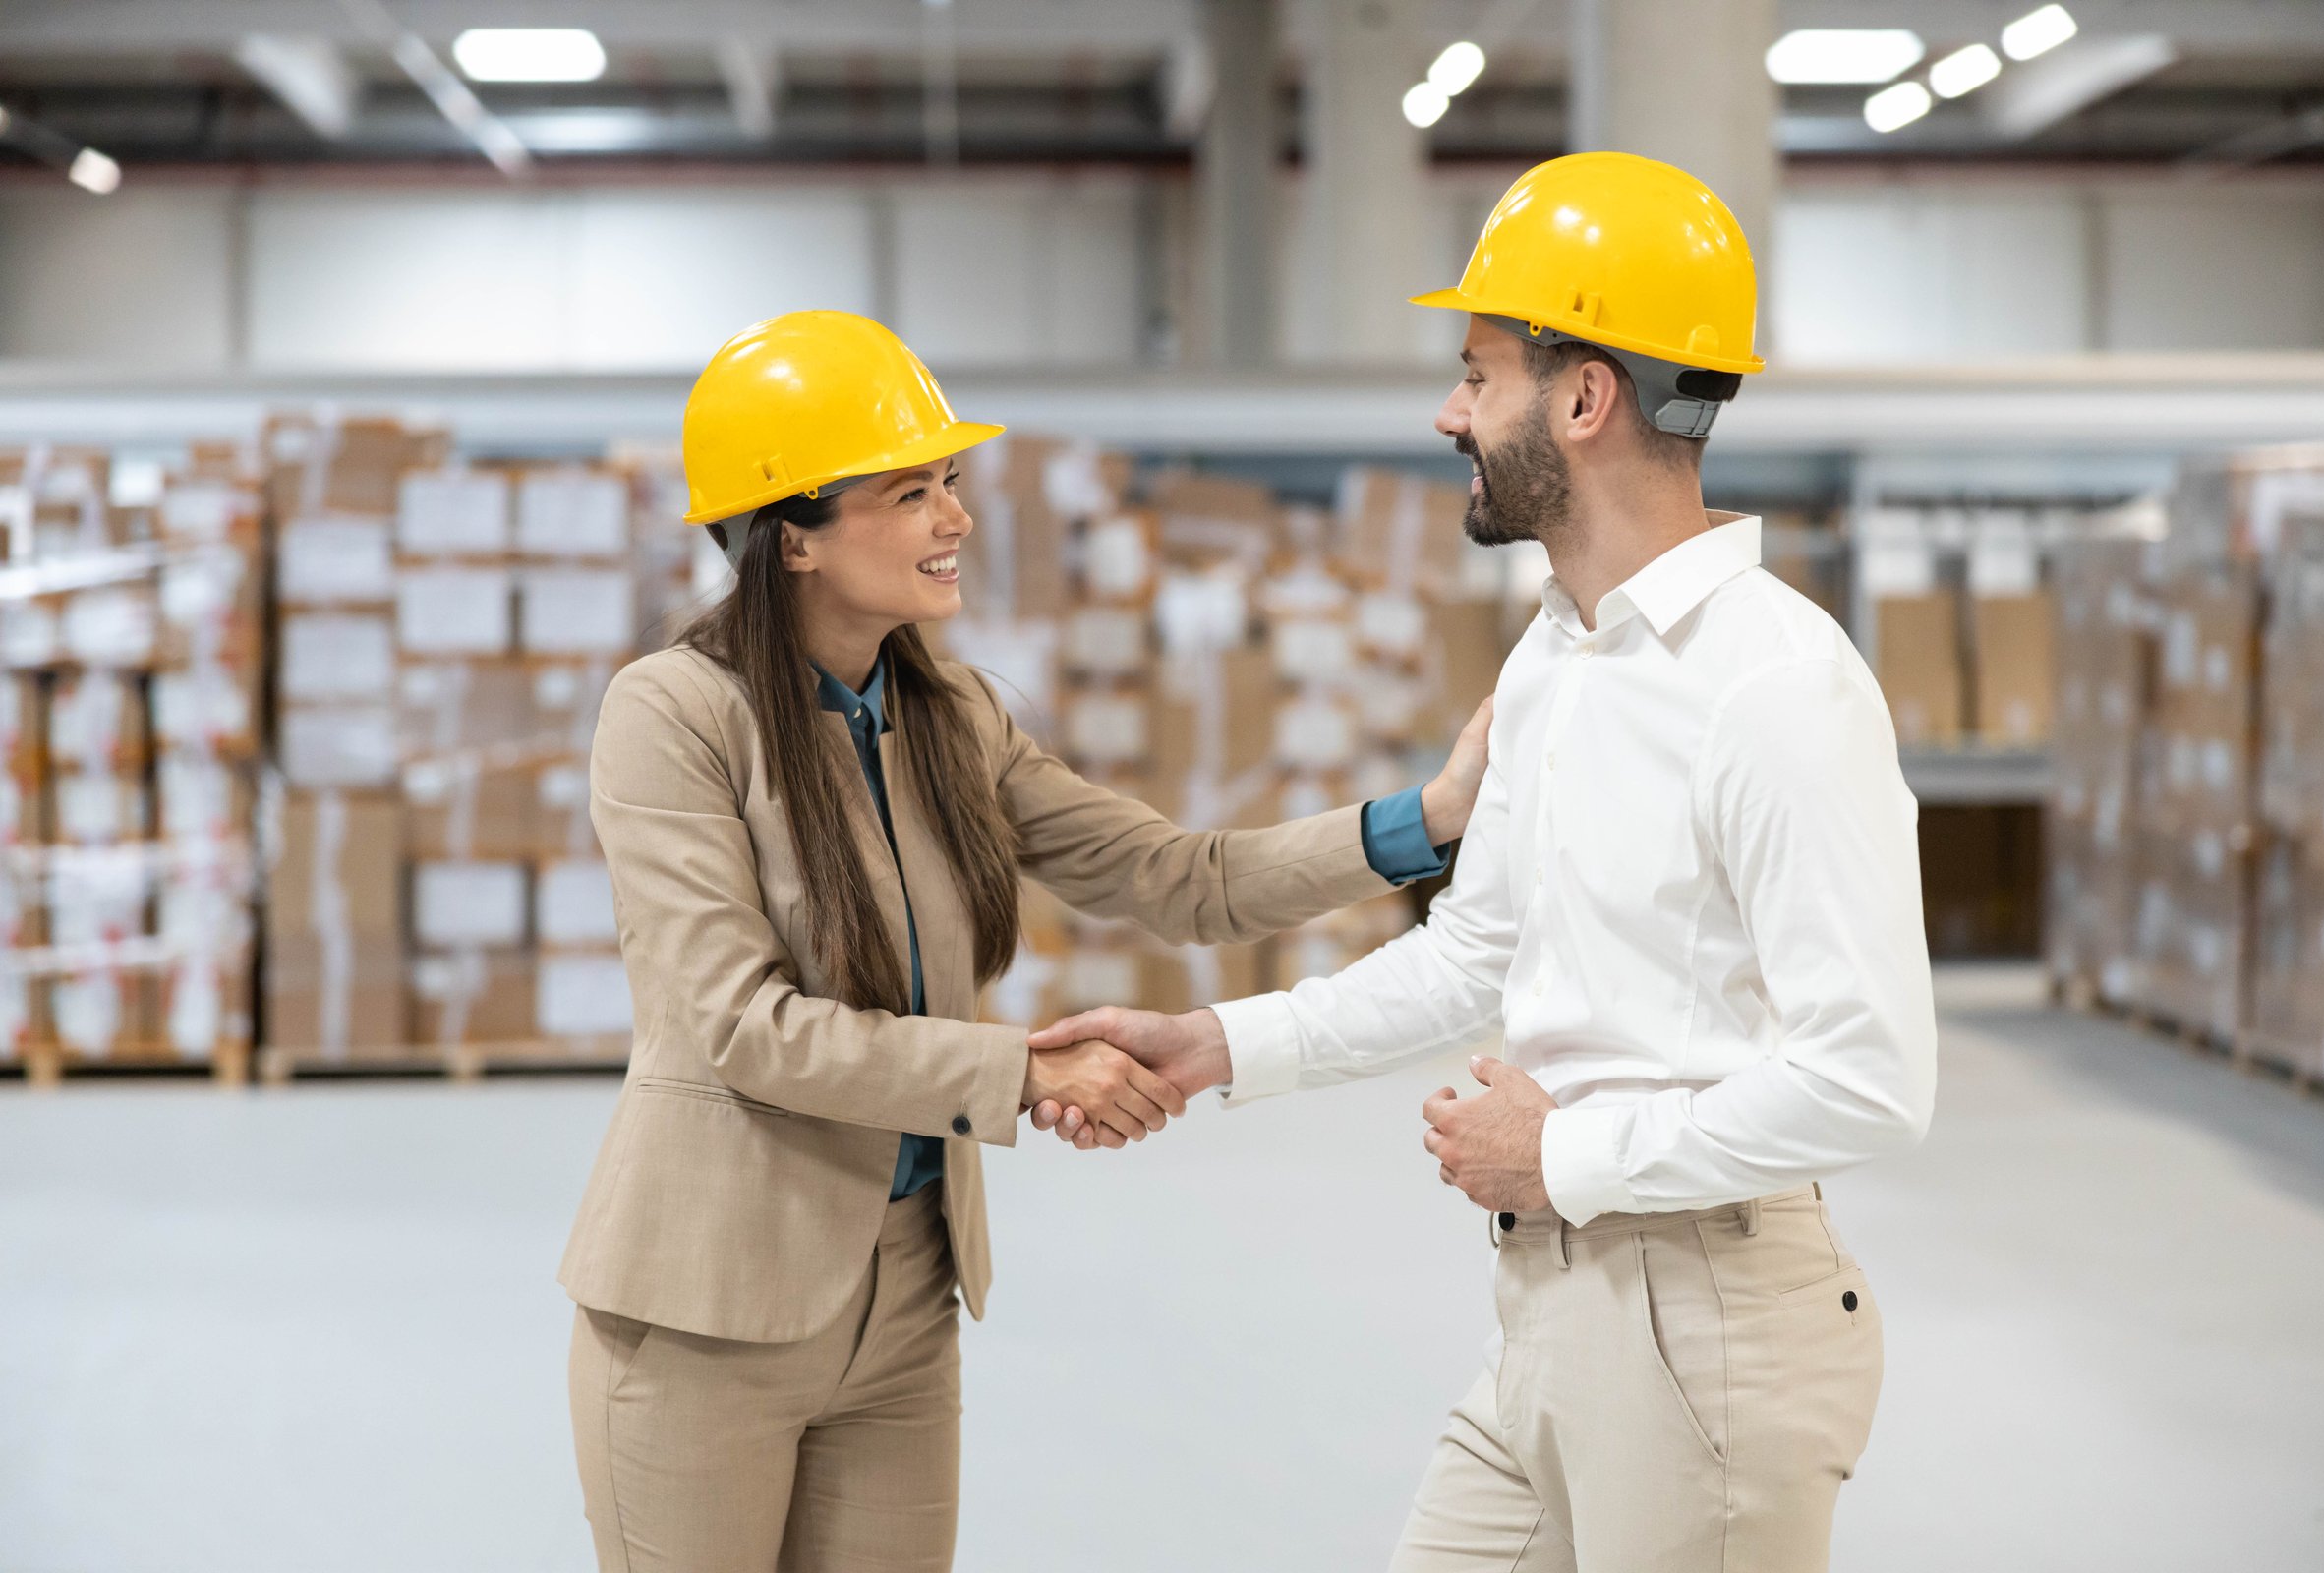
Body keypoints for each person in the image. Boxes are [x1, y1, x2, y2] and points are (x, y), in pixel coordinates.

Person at [1027, 153, 1939, 1570]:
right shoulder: (1554, 658)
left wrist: (1559, 1150)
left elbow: (1868, 1077)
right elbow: (1475, 954)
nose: (1449, 414)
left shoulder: (1776, 685)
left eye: (1479, 374)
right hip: (1551, 1302)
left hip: (1700, 1320)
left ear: (1584, 400)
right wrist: (1214, 1044)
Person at [555, 308, 1495, 1572]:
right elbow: (739, 1027)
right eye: (911, 492)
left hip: (903, 1303)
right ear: (795, 538)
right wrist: (1028, 1071)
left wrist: (1421, 821)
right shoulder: (671, 714)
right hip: (707, 1306)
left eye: (950, 483)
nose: (957, 518)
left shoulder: (952, 716)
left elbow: (1178, 878)